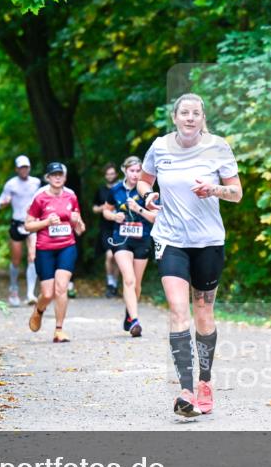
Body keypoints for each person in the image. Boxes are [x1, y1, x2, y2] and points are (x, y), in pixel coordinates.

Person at [137, 93, 242, 418]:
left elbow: (236, 193)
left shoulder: (218, 147)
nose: (190, 118)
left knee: (203, 311)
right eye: (185, 112)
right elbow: (143, 181)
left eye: (196, 113)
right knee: (178, 309)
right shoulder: (159, 147)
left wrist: (214, 189)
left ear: (203, 118)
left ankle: (204, 382)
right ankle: (185, 390)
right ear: (175, 117)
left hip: (208, 240)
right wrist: (149, 195)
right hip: (171, 239)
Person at [27, 162, 86, 343]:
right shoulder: (40, 198)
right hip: (45, 249)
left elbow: (80, 229)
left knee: (61, 288)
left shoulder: (71, 197)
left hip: (66, 247)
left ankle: (59, 330)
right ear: (48, 178)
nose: (57, 177)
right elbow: (28, 225)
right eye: (54, 174)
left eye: (60, 174)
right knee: (47, 293)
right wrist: (46, 222)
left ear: (65, 177)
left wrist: (76, 221)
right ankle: (39, 310)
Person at [103, 156, 157, 337]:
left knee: (137, 285)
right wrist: (114, 216)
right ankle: (135, 321)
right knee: (129, 279)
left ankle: (129, 314)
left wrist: (138, 209)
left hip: (142, 238)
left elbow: (155, 218)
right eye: (132, 171)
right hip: (121, 239)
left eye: (138, 171)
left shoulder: (147, 191)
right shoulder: (115, 189)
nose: (135, 174)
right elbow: (106, 210)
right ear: (124, 170)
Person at [0, 155, 42, 306]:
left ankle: (30, 294)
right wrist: (5, 202)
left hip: (32, 222)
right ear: (16, 169)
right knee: (16, 260)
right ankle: (13, 288)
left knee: (33, 256)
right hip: (17, 223)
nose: (24, 170)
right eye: (21, 167)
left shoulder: (36, 182)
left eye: (26, 167)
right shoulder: (11, 184)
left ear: (29, 168)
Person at [93, 162, 121, 298]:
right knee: (110, 255)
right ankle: (110, 283)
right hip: (106, 228)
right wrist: (103, 208)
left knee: (118, 256)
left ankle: (115, 285)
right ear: (105, 176)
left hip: (120, 227)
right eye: (108, 174)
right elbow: (94, 208)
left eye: (112, 173)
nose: (110, 176)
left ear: (116, 174)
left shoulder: (121, 189)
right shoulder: (101, 190)